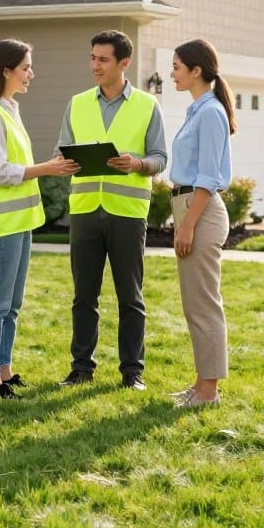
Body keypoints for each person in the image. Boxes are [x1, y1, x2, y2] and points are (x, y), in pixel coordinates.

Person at [0, 39, 79, 399]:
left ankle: (3, 370)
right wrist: (46, 168)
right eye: (26, 67)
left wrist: (51, 163)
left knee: (12, 304)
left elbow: (16, 167)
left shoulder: (9, 110)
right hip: (1, 226)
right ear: (6, 71)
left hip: (19, 222)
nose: (32, 73)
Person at [56, 30, 167, 390]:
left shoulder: (148, 105)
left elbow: (160, 158)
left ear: (124, 63)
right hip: (86, 209)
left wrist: (136, 164)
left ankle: (132, 371)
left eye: (103, 59)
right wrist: (67, 162)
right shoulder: (77, 103)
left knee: (130, 297)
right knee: (83, 296)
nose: (95, 66)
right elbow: (63, 151)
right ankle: (81, 368)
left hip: (127, 213)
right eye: (92, 58)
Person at [167, 39, 235, 409]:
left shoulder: (210, 113)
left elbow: (208, 176)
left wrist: (188, 224)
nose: (172, 73)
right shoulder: (198, 111)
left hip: (201, 211)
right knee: (195, 303)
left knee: (204, 303)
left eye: (177, 66)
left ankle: (209, 392)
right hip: (190, 207)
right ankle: (201, 384)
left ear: (196, 71)